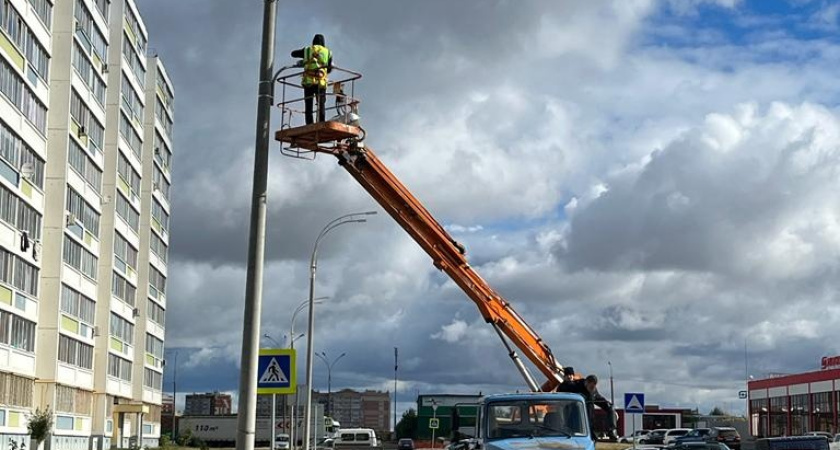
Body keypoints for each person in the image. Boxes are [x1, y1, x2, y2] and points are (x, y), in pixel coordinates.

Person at [557, 374, 618, 440]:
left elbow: (602, 402)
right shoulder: (575, 386)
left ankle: (612, 430)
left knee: (610, 407)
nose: (591, 389)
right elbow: (561, 388)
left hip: (589, 423)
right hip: (576, 423)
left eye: (593, 387)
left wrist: (611, 411)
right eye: (590, 387)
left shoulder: (593, 391)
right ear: (586, 383)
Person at [291, 34, 333, 124]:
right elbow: (329, 69)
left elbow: (293, 54)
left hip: (308, 82)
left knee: (308, 105)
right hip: (321, 82)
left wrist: (304, 60)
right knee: (321, 104)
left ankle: (309, 123)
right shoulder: (328, 52)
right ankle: (321, 122)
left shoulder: (307, 50)